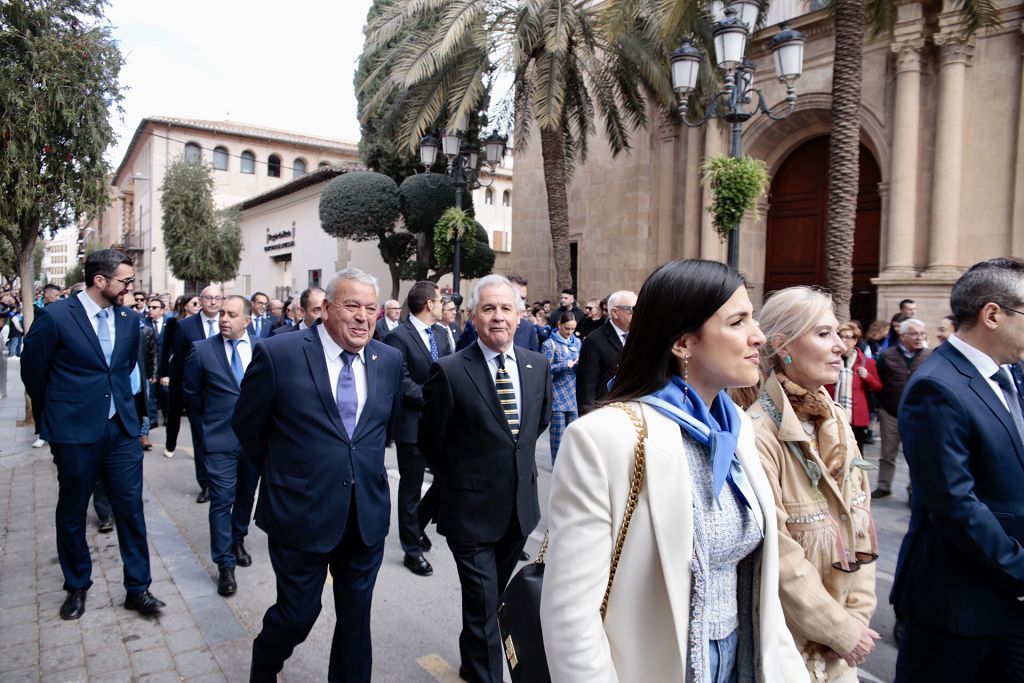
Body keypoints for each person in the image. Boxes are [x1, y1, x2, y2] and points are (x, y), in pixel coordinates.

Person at [540, 259, 806, 682]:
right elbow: (571, 617)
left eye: (752, 319)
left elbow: (761, 593)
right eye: (738, 322)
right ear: (683, 343)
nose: (758, 336)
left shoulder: (737, 432)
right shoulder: (605, 440)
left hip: (741, 663)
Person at [234, 268, 403, 682]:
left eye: (370, 308)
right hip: (300, 513)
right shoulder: (280, 354)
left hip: (364, 516)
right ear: (325, 309)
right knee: (297, 614)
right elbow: (248, 427)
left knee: (356, 620)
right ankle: (265, 663)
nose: (363, 317)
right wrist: (288, 475)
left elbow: (384, 429)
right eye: (351, 306)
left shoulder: (390, 360)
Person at [891, 258, 1024, 681]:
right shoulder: (937, 385)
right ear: (992, 314)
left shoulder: (1012, 374)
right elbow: (954, 503)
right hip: (956, 604)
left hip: (1009, 601)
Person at [419, 274, 552, 683]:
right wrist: (467, 475)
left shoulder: (537, 366)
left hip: (517, 513)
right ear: (472, 317)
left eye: (506, 308)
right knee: (482, 605)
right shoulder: (450, 371)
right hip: (469, 513)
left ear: (519, 316)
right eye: (488, 309)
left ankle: (469, 659)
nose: (498, 317)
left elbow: (537, 425)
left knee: (489, 603)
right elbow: (431, 442)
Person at [21, 249, 165, 620]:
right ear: (99, 280)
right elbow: (34, 371)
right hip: (74, 432)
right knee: (72, 511)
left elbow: (124, 372)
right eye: (126, 281)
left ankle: (138, 587)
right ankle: (77, 586)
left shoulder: (130, 319)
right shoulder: (55, 317)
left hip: (120, 431)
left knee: (131, 509)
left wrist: (135, 420)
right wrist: (53, 416)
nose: (131, 287)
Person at [748, 287, 880, 681]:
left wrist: (854, 620)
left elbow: (860, 523)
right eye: (824, 334)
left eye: (839, 334)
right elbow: (780, 555)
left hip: (840, 653)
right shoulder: (758, 433)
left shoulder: (838, 422)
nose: (840, 346)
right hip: (790, 649)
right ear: (783, 345)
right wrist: (835, 629)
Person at [184, 295, 261, 597]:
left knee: (245, 495)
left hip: (254, 440)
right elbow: (192, 395)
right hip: (219, 440)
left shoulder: (262, 348)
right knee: (221, 500)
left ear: (247, 320)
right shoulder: (202, 350)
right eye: (222, 314)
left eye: (232, 314)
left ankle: (237, 539)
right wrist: (208, 429)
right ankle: (224, 565)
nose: (224, 319)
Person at [383, 280, 452, 577]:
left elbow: (451, 371)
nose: (443, 304)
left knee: (446, 482)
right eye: (440, 300)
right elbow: (401, 381)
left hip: (443, 425)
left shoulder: (441, 334)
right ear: (429, 305)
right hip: (412, 427)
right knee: (410, 490)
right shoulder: (399, 337)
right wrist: (432, 397)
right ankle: (412, 550)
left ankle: (417, 523)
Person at [168, 285, 223, 501]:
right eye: (208, 298)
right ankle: (206, 484)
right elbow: (178, 363)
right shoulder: (185, 326)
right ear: (200, 300)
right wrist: (180, 395)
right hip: (197, 395)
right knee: (201, 442)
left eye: (217, 298)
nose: (213, 302)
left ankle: (223, 480)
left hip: (222, 394)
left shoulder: (226, 323)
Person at [873, 318, 930, 499]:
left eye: (922, 333)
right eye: (914, 333)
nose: (919, 337)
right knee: (887, 453)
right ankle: (884, 485)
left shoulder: (930, 356)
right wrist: (881, 407)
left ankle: (915, 491)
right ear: (903, 336)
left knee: (917, 455)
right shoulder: (887, 355)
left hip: (918, 414)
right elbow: (878, 382)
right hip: (890, 412)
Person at [575, 289, 636, 415]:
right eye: (633, 309)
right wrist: (588, 418)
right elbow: (586, 387)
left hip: (633, 411)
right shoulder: (594, 341)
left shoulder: (638, 338)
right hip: (605, 412)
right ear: (615, 312)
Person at [826, 321, 883, 452]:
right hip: (832, 413)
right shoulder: (828, 359)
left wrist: (867, 376)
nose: (844, 340)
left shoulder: (866, 362)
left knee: (857, 452)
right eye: (841, 336)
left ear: (855, 340)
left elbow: (878, 387)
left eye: (848, 337)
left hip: (856, 416)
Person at [159, 293, 198, 458]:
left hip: (196, 376)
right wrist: (164, 373)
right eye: (194, 303)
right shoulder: (173, 322)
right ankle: (170, 445)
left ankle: (199, 447)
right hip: (177, 374)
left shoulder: (201, 323)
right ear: (184, 305)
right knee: (174, 413)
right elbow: (166, 347)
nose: (198, 306)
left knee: (196, 416)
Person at [541, 311, 580, 463]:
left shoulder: (577, 342)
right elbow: (545, 367)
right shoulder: (549, 344)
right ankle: (557, 464)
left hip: (573, 392)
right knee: (558, 434)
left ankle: (571, 464)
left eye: (572, 329)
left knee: (574, 434)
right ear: (559, 325)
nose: (570, 332)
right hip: (557, 393)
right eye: (567, 328)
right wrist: (565, 364)